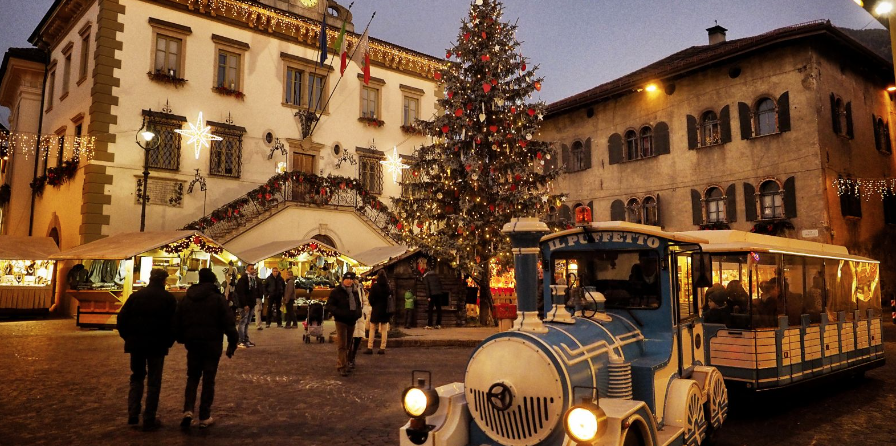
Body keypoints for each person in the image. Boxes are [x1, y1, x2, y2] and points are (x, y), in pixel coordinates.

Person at [175, 268, 238, 429]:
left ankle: (188, 410)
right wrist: (232, 342)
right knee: (208, 380)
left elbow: (178, 319)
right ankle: (204, 415)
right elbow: (228, 322)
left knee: (192, 377)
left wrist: (181, 338)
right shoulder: (217, 299)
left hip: (193, 344)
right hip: (212, 344)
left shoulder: (188, 297)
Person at [116, 268, 177, 431]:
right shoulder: (168, 299)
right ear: (164, 281)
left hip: (136, 344)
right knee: (154, 381)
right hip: (157, 345)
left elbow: (121, 318)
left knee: (136, 377)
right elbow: (174, 324)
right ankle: (149, 417)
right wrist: (168, 342)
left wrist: (128, 337)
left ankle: (133, 414)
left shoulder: (136, 296)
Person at [326, 271, 362, 377]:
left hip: (352, 320)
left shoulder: (355, 291)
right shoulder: (336, 291)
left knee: (349, 343)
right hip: (341, 321)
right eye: (348, 279)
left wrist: (358, 314)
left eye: (351, 279)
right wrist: (339, 313)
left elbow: (358, 304)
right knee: (342, 344)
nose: (350, 281)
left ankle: (345, 363)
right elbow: (329, 305)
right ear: (343, 279)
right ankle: (341, 366)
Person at [366, 270, 394, 354]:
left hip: (376, 309)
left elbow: (370, 298)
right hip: (385, 309)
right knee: (384, 329)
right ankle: (382, 347)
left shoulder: (375, 286)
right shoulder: (388, 286)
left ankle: (370, 347)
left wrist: (373, 304)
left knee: (372, 328)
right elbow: (391, 296)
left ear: (377, 276)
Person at [235, 264, 261, 347]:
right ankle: (240, 340)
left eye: (254, 269)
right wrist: (245, 304)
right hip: (245, 305)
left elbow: (253, 292)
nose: (253, 270)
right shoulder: (243, 279)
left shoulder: (253, 279)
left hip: (251, 304)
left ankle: (245, 339)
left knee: (247, 323)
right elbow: (241, 293)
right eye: (251, 269)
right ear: (247, 269)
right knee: (243, 322)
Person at [349, 278, 370, 369]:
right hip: (350, 317)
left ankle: (353, 356)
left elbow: (365, 301)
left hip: (360, 317)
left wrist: (364, 311)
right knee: (350, 338)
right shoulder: (347, 289)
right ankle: (349, 358)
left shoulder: (360, 289)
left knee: (358, 338)